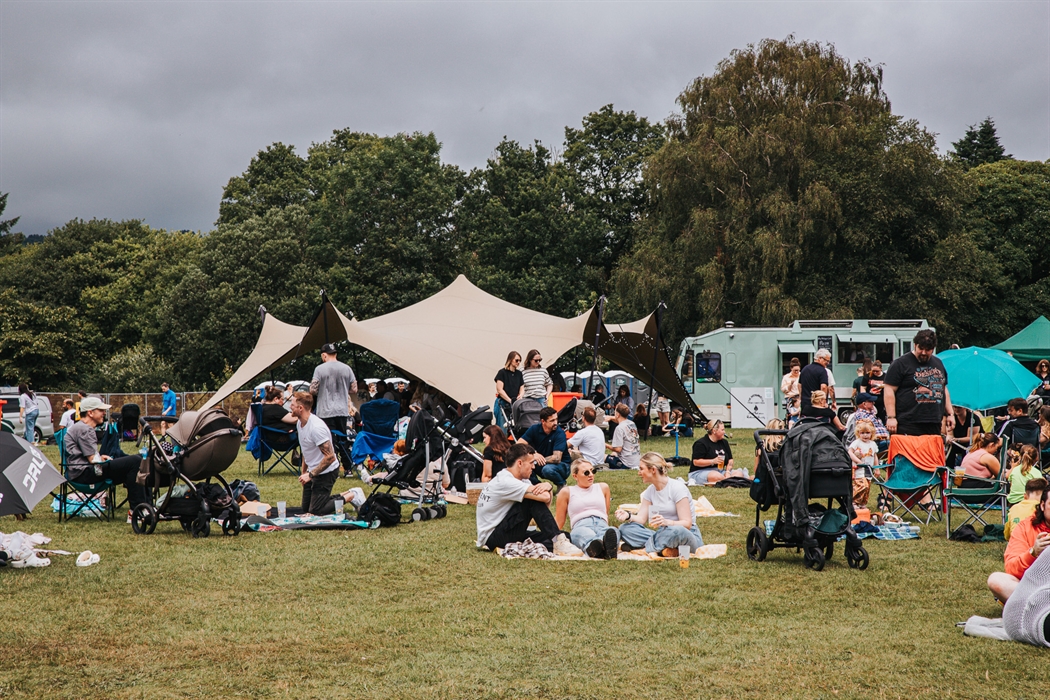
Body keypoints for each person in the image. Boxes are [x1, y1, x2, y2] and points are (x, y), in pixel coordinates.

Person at [64, 396, 149, 515]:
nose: (104, 413)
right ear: (90, 413)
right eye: (101, 410)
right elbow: (93, 459)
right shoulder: (85, 429)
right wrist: (101, 458)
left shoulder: (79, 427)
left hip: (80, 471)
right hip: (84, 474)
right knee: (135, 461)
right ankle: (139, 510)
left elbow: (89, 456)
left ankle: (141, 508)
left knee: (135, 463)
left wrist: (102, 457)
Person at [475, 443, 560, 552]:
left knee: (565, 537)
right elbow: (544, 498)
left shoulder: (522, 479)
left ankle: (558, 540)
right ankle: (558, 541)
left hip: (507, 529)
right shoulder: (506, 481)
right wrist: (547, 487)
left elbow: (545, 501)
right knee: (530, 501)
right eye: (531, 463)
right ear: (520, 463)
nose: (534, 467)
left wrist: (548, 486)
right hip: (493, 537)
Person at [615, 452, 703, 556]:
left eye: (641, 469)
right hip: (662, 534)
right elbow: (641, 519)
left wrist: (667, 522)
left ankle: (646, 548)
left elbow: (687, 524)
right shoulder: (650, 491)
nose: (639, 473)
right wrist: (628, 516)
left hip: (685, 535)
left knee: (676, 530)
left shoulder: (677, 488)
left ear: (653, 470)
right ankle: (664, 549)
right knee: (625, 528)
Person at [884, 329, 954, 437]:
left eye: (928, 350)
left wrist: (950, 413)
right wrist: (891, 417)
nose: (923, 353)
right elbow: (889, 390)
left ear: (933, 349)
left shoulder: (938, 363)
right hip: (908, 422)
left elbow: (943, 388)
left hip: (933, 421)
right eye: (921, 348)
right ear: (915, 345)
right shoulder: (900, 364)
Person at [988, 484, 1050, 605]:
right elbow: (1011, 568)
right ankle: (1038, 607)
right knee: (996, 580)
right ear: (1042, 506)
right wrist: (1033, 552)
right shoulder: (1025, 528)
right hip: (1032, 588)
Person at [554, 459, 619, 559]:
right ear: (575, 476)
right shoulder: (567, 492)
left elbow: (605, 513)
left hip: (601, 524)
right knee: (582, 535)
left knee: (613, 530)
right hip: (581, 525)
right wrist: (551, 537)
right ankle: (603, 548)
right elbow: (559, 521)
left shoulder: (603, 487)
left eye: (593, 471)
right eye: (586, 472)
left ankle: (598, 549)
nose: (591, 475)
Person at [290, 392, 341, 515]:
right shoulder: (300, 423)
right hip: (313, 471)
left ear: (300, 408)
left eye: (292, 405)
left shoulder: (316, 428)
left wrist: (310, 475)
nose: (290, 407)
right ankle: (327, 499)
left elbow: (330, 457)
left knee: (316, 511)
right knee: (305, 509)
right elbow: (306, 450)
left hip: (327, 471)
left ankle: (351, 495)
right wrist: (304, 472)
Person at [311, 343, 358, 473]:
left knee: (328, 440)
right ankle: (348, 468)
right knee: (343, 439)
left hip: (325, 411)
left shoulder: (319, 369)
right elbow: (354, 389)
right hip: (342, 410)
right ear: (336, 354)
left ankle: (332, 467)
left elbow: (313, 390)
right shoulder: (347, 368)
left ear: (324, 355)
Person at [517, 407, 571, 488]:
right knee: (525, 464)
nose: (556, 422)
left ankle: (562, 484)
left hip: (562, 465)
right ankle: (537, 486)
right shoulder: (534, 429)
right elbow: (519, 444)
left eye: (556, 419)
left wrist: (535, 460)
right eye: (552, 420)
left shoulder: (560, 433)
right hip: (543, 464)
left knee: (547, 469)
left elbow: (557, 458)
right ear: (543, 421)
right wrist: (533, 455)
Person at [689, 419, 748, 485]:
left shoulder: (724, 442)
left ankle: (727, 481)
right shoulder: (701, 443)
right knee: (716, 476)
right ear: (714, 431)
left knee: (739, 473)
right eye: (722, 430)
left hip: (720, 471)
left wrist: (728, 472)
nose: (724, 432)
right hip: (700, 472)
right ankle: (731, 481)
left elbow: (730, 460)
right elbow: (696, 462)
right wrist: (713, 461)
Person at [848, 420, 878, 509]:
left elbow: (875, 456)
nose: (865, 435)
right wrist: (858, 461)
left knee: (867, 487)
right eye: (862, 433)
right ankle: (853, 501)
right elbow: (850, 452)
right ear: (858, 433)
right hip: (859, 469)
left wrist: (876, 468)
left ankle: (862, 503)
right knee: (861, 485)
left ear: (872, 433)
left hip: (869, 469)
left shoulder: (873, 444)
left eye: (867, 433)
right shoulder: (857, 442)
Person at [494, 351, 524, 431]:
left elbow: (522, 387)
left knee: (514, 427)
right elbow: (500, 389)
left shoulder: (519, 374)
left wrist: (520, 395)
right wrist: (510, 400)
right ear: (510, 360)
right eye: (516, 360)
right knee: (502, 428)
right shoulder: (502, 372)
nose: (518, 362)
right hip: (502, 403)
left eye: (519, 360)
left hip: (514, 403)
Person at [606, 403, 641, 470]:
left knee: (604, 456)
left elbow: (618, 449)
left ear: (618, 414)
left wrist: (606, 445)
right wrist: (610, 417)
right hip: (636, 461)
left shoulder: (619, 428)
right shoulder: (631, 423)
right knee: (614, 453)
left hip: (626, 463)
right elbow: (619, 420)